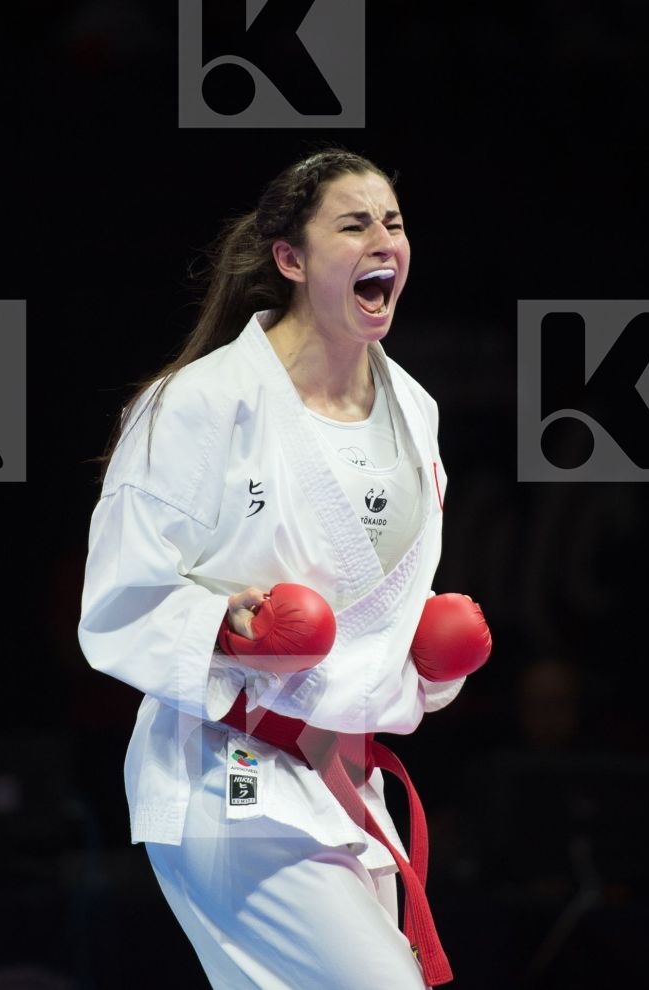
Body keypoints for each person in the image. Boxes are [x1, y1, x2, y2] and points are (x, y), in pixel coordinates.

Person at [78, 150, 490, 988]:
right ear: (290, 260)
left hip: (345, 782)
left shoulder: (415, 409)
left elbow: (370, 616)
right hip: (230, 779)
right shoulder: (198, 404)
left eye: (394, 223)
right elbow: (118, 601)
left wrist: (425, 657)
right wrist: (224, 632)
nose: (384, 239)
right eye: (355, 223)